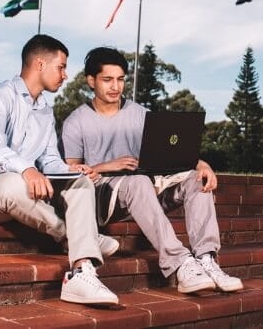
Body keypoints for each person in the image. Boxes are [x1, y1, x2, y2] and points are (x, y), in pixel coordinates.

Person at [61, 47, 243, 294]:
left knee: (194, 180)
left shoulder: (139, 114)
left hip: (144, 193)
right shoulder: (76, 121)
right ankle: (180, 262)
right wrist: (105, 166)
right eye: (107, 80)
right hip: (103, 198)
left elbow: (172, 153)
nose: (115, 86)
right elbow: (70, 171)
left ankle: (206, 259)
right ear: (91, 81)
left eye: (120, 79)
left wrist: (203, 166)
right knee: (138, 183)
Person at [0, 34, 119, 305]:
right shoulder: (0, 95)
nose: (65, 75)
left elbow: (50, 159)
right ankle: (80, 236)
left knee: (80, 183)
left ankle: (80, 273)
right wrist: (27, 169)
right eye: (61, 67)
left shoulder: (45, 110)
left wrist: (72, 170)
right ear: (40, 64)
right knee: (14, 183)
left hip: (29, 192)